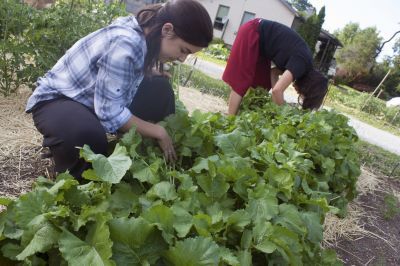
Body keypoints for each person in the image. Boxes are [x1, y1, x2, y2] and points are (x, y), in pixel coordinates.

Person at [25, 0, 213, 178]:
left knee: (159, 88)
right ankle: (67, 160)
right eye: (183, 50)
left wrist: (145, 70)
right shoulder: (126, 44)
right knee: (88, 138)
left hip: (91, 101)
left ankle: (154, 157)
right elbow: (109, 113)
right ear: (167, 29)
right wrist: (158, 131)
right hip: (59, 100)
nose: (182, 59)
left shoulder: (145, 32)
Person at [222, 18, 328, 115]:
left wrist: (277, 101)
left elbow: (274, 72)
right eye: (303, 93)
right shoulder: (302, 63)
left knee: (262, 85)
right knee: (242, 82)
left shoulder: (303, 66)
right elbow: (277, 91)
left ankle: (244, 115)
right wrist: (285, 113)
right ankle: (230, 120)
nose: (299, 92)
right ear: (308, 86)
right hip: (253, 31)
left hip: (263, 48)